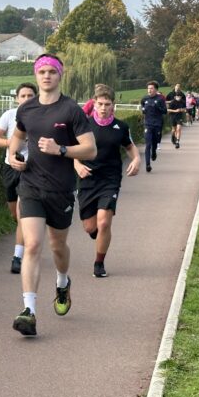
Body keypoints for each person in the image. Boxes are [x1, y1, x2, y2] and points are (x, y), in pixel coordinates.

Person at [7, 54, 96, 337]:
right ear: (36, 75)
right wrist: (12, 155)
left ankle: (62, 282)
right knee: (32, 245)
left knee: (57, 246)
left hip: (61, 189)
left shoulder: (71, 110)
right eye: (42, 72)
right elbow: (18, 136)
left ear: (60, 75)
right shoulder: (27, 109)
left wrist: (62, 150)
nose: (46, 76)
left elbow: (90, 149)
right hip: (30, 185)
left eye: (52, 72)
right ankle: (29, 310)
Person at [75, 84, 140, 278]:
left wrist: (136, 159)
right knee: (90, 227)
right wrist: (77, 165)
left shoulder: (121, 127)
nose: (104, 108)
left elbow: (130, 147)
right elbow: (72, 150)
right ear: (94, 104)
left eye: (108, 104)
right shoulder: (83, 125)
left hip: (110, 179)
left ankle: (99, 263)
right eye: (100, 104)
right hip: (87, 178)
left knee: (104, 223)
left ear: (114, 106)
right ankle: (98, 235)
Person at [0, 82, 37, 274]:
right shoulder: (9, 116)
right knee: (16, 215)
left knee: (23, 212)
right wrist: (13, 142)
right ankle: (28, 237)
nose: (26, 99)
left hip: (31, 170)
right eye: (23, 96)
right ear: (17, 99)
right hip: (11, 167)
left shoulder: (41, 117)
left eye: (30, 96)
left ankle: (17, 257)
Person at [139, 81, 167, 172]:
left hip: (157, 124)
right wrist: (144, 109)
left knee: (154, 143)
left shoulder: (160, 99)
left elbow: (165, 111)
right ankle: (147, 165)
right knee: (148, 144)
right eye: (148, 88)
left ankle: (154, 152)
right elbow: (143, 108)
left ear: (156, 89)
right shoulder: (144, 99)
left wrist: (157, 107)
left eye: (151, 88)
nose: (149, 90)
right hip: (148, 124)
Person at [166, 83, 187, 148]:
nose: (179, 98)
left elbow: (185, 109)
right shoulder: (172, 99)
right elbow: (167, 108)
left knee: (179, 129)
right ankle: (173, 136)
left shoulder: (183, 100)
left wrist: (182, 110)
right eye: (178, 97)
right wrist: (175, 110)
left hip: (179, 116)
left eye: (180, 97)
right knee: (173, 130)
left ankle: (177, 142)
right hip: (173, 116)